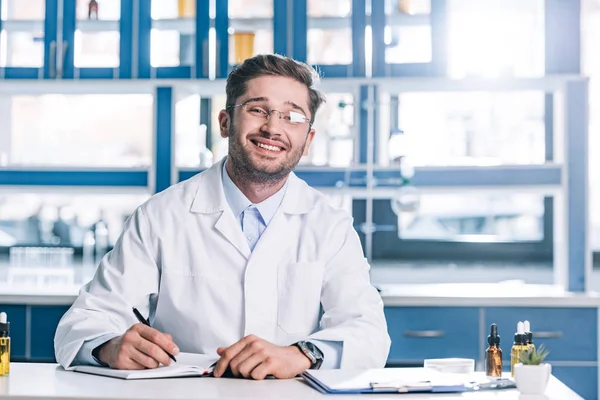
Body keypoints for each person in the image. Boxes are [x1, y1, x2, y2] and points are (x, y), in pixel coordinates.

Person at [54, 54, 391, 380]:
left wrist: (301, 354)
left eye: (293, 116)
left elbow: (369, 332)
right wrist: (110, 347)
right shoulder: (161, 216)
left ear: (308, 141)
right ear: (225, 122)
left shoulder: (329, 225)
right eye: (258, 109)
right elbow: (84, 321)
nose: (273, 127)